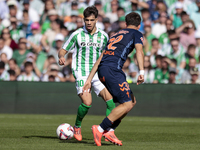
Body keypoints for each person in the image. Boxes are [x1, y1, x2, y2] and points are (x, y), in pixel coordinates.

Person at [82, 12, 144, 146]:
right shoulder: (137, 33)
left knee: (131, 101)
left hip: (103, 70)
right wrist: (142, 71)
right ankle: (99, 129)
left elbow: (101, 58)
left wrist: (89, 79)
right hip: (113, 70)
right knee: (126, 104)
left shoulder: (115, 35)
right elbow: (139, 51)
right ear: (139, 26)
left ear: (126, 24)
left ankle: (110, 131)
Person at [58, 6, 116, 142]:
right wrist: (61, 57)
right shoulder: (77, 34)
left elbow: (106, 55)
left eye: (91, 20)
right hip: (81, 73)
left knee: (111, 102)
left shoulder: (103, 36)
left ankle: (107, 131)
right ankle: (77, 126)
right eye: (86, 20)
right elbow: (63, 49)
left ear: (96, 20)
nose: (89, 23)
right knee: (87, 102)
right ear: (83, 20)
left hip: (97, 73)